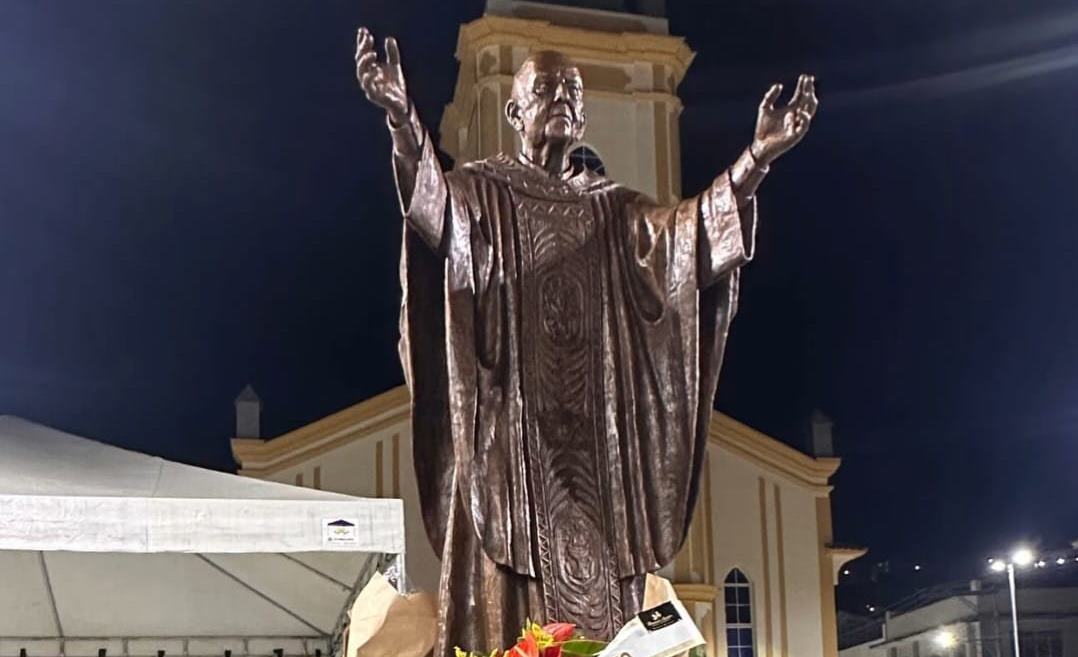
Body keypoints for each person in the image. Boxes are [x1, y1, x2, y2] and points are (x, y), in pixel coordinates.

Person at [354, 27, 818, 655]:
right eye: (545, 90)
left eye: (572, 91)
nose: (562, 100)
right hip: (508, 459)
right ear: (515, 112)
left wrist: (756, 159)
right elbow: (433, 207)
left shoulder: (616, 213)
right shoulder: (484, 193)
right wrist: (404, 120)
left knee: (606, 618)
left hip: (601, 464)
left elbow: (688, 237)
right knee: (506, 611)